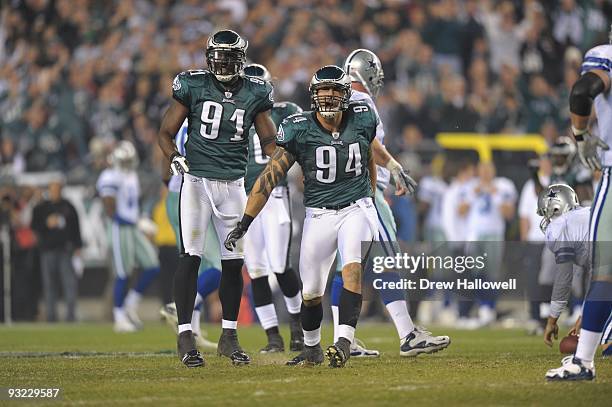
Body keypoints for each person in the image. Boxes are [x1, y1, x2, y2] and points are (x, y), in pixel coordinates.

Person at [225, 65, 380, 368]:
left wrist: (369, 198)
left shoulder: (362, 118)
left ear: (345, 94)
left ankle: (344, 342)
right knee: (310, 294)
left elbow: (369, 158)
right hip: (319, 215)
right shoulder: (298, 127)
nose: (329, 96)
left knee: (351, 269)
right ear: (313, 94)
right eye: (323, 91)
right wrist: (245, 221)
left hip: (356, 208)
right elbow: (270, 176)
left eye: (335, 90)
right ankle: (312, 348)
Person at [157, 30, 278, 368]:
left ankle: (229, 336)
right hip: (196, 182)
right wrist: (173, 157)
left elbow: (269, 142)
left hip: (233, 186)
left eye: (229, 57)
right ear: (209, 57)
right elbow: (166, 132)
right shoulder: (192, 85)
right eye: (219, 56)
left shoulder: (255, 91)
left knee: (233, 262)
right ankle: (185, 335)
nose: (223, 62)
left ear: (241, 60)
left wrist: (287, 152)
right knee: (191, 256)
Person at [330, 48, 449, 357]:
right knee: (387, 261)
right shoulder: (362, 100)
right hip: (365, 193)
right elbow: (369, 144)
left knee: (346, 267)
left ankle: (342, 338)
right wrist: (392, 169)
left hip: (339, 195)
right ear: (366, 74)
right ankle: (407, 334)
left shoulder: (336, 100)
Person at [546, 26, 612, 381]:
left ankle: (583, 360)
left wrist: (582, 135)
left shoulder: (606, 57)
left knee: (605, 271)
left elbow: (583, 90)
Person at [242, 63, 304, 353]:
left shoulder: (285, 111)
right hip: (244, 196)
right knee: (255, 269)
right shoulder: (235, 114)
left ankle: (297, 327)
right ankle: (272, 337)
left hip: (275, 195)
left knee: (280, 265)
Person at [158, 118, 220, 351]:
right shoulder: (205, 115)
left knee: (198, 265)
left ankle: (192, 329)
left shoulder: (180, 119)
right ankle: (180, 306)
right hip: (191, 196)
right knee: (219, 265)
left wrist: (172, 185)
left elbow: (165, 163)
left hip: (177, 196)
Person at [96, 141, 160, 333]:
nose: (128, 164)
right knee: (123, 273)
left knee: (152, 265)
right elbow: (110, 209)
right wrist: (135, 222)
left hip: (132, 226)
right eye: (125, 160)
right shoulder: (109, 176)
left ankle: (130, 304)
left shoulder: (132, 175)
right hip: (119, 227)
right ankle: (119, 316)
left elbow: (132, 205)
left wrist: (140, 219)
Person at [31, 178, 82, 322]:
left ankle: (70, 316)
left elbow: (76, 228)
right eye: (52, 189)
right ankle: (51, 317)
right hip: (47, 251)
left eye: (57, 189)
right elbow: (34, 226)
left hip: (65, 250)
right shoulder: (42, 208)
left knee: (69, 284)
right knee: (49, 286)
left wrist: (78, 246)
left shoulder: (68, 207)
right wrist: (46, 223)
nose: (55, 192)